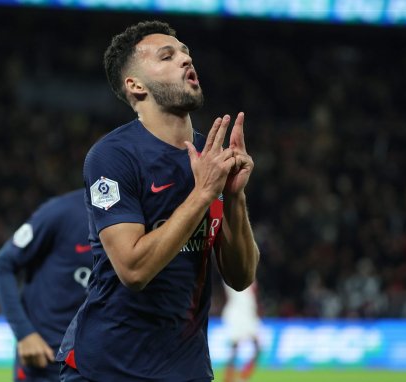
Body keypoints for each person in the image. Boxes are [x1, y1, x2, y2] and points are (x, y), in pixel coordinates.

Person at [57, 20, 260, 381]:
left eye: (186, 53)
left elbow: (241, 276)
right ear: (135, 86)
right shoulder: (113, 156)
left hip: (187, 368)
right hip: (109, 368)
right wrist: (202, 193)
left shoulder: (209, 156)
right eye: (167, 56)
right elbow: (133, 270)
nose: (185, 60)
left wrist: (233, 197)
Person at [0, 189, 92, 382]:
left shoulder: (138, 221)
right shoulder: (63, 212)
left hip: (99, 361)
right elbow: (2, 266)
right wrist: (25, 333)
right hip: (45, 360)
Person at [222, 282, 261, 382]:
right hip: (236, 314)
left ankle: (244, 377)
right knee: (235, 348)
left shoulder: (251, 274)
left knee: (258, 347)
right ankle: (228, 378)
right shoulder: (230, 275)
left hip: (249, 314)